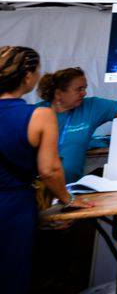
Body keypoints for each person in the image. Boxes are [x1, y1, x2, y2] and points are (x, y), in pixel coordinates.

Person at [1, 47, 89, 294]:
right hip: (13, 205)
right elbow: (49, 169)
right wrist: (67, 199)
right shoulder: (39, 115)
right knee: (12, 274)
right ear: (27, 76)